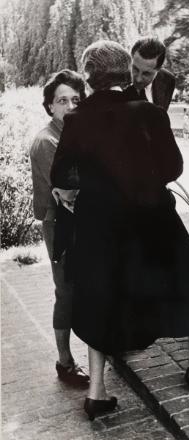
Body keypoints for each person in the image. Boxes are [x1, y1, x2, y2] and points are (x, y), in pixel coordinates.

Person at [50, 40, 189, 421]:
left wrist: (96, 182)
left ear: (90, 78)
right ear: (125, 71)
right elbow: (173, 168)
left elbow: (61, 174)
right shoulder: (149, 113)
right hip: (152, 220)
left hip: (100, 226)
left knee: (99, 298)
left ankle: (96, 392)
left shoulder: (78, 120)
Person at [29, 70, 89, 386]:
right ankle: (64, 362)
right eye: (62, 100)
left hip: (80, 222)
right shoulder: (47, 141)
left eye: (76, 100)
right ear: (50, 106)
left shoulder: (74, 137)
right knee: (66, 292)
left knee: (87, 286)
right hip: (59, 225)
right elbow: (72, 192)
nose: (70, 106)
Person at [124, 37, 175, 111]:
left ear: (158, 69)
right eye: (135, 69)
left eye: (146, 73)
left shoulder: (168, 80)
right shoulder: (117, 82)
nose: (138, 79)